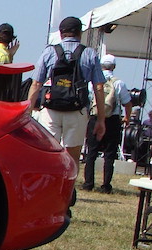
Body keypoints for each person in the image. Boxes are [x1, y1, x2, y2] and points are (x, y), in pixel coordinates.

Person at [29, 16, 106, 189]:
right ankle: (66, 193)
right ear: (80, 33)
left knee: (48, 153)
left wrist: (28, 111)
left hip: (51, 111)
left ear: (61, 33)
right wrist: (101, 119)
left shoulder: (49, 52)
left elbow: (36, 83)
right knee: (72, 157)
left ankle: (47, 190)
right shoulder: (89, 53)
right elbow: (99, 87)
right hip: (77, 112)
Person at [81, 54, 132, 193]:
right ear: (114, 66)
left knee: (91, 153)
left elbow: (87, 100)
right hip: (112, 120)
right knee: (109, 154)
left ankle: (88, 183)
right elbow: (127, 103)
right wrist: (127, 118)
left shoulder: (92, 82)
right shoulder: (119, 83)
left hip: (95, 118)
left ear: (100, 65)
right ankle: (105, 186)